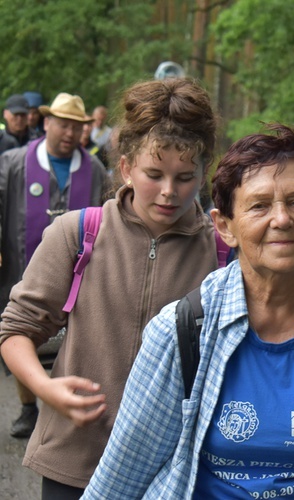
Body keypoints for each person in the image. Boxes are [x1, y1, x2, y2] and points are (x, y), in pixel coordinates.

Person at [83, 124, 294, 499]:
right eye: (259, 205)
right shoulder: (183, 331)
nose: (281, 219)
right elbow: (120, 476)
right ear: (225, 226)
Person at [0, 77, 220, 499]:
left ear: (203, 172)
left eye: (185, 177)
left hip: (174, 470)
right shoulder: (76, 233)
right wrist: (46, 389)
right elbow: (16, 331)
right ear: (126, 168)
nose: (169, 192)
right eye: (154, 174)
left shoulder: (221, 250)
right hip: (76, 459)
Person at [0, 92, 109, 439]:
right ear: (46, 123)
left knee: (76, 340)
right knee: (24, 333)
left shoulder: (93, 168)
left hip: (81, 273)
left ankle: (67, 402)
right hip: (22, 264)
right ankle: (28, 406)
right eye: (62, 124)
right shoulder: (15, 162)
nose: (69, 133)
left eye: (76, 127)